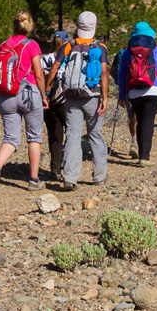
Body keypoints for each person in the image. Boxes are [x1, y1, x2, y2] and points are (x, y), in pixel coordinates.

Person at [44, 11, 110, 190]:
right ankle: (99, 175)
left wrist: (48, 90)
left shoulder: (68, 45)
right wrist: (105, 97)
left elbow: (55, 68)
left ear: (78, 27)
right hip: (93, 97)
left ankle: (70, 177)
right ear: (95, 27)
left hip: (71, 96)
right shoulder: (100, 47)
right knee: (95, 134)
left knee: (72, 135)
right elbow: (104, 73)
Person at [0, 11, 47, 194]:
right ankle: (34, 179)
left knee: (11, 138)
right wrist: (44, 96)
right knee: (34, 137)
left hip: (6, 96)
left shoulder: (3, 45)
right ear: (29, 25)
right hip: (28, 94)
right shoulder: (32, 45)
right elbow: (38, 74)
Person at [116, 21, 157, 162]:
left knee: (140, 121)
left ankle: (141, 152)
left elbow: (121, 74)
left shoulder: (128, 51)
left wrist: (122, 95)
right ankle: (144, 157)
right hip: (153, 90)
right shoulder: (156, 49)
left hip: (134, 92)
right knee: (148, 122)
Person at [39, 30, 71, 181]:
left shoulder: (45, 59)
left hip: (48, 99)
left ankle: (55, 169)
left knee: (54, 135)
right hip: (65, 100)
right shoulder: (69, 57)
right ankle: (69, 164)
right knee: (72, 131)